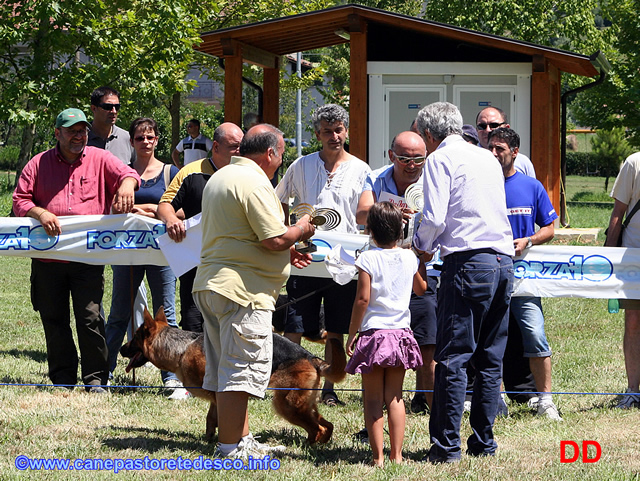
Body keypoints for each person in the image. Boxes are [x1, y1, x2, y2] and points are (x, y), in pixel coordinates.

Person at [192, 124, 316, 458]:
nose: (281, 159)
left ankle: (240, 439)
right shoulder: (255, 182)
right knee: (240, 372)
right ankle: (231, 448)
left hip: (216, 284)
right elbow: (273, 238)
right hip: (242, 291)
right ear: (271, 153)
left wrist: (285, 252)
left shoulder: (222, 176)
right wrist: (301, 229)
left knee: (227, 370)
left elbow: (241, 234)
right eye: (281, 152)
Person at [413, 102, 514, 463]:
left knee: (454, 358)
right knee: (490, 357)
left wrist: (420, 249)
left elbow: (435, 216)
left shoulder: (440, 159)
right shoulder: (486, 157)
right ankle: (484, 442)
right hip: (503, 262)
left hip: (468, 261)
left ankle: (445, 447)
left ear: (428, 134)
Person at [13, 108, 140, 393]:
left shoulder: (100, 158)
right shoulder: (38, 163)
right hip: (48, 257)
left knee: (91, 317)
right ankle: (63, 378)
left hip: (87, 257)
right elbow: (20, 199)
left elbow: (128, 173)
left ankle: (96, 379)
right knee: (54, 318)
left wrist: (127, 186)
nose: (78, 136)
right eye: (71, 131)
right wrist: (38, 212)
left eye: (82, 131)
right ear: (57, 133)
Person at [275, 103, 371, 406]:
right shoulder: (300, 165)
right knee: (294, 325)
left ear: (346, 131)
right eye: (327, 131)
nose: (334, 136)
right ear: (317, 134)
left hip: (343, 261)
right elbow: (277, 201)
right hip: (305, 256)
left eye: (339, 130)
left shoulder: (360, 169)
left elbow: (366, 213)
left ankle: (328, 390)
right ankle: (288, 384)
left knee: (335, 328)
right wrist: (286, 234)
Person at [104, 117, 186, 399]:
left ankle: (172, 377)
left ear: (157, 140)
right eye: (140, 138)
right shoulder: (121, 173)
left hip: (163, 253)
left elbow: (183, 211)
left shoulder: (171, 173)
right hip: (127, 252)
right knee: (118, 314)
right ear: (132, 142)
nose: (146, 142)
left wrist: (149, 209)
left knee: (167, 315)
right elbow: (112, 208)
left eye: (150, 137)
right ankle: (104, 372)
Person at [355, 131, 436, 413]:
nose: (412, 165)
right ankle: (373, 424)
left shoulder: (433, 178)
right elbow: (361, 213)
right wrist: (389, 213)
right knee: (379, 352)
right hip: (384, 271)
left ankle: (437, 421)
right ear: (391, 156)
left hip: (422, 268)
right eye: (404, 159)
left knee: (428, 351)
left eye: (418, 159)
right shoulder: (376, 178)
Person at [488, 127, 562, 420]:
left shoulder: (532, 187)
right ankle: (496, 398)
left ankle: (545, 399)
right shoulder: (482, 186)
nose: (494, 153)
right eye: (491, 148)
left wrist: (529, 240)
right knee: (493, 338)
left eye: (500, 149)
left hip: (525, 278)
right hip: (491, 275)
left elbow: (550, 228)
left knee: (534, 334)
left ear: (515, 152)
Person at [346, 202, 426, 467]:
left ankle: (377, 457)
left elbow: (362, 299)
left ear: (370, 231)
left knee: (371, 399)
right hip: (401, 334)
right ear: (400, 230)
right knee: (395, 396)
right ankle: (398, 455)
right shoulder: (408, 257)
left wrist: (352, 333)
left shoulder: (367, 258)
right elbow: (421, 289)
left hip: (373, 335)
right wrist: (420, 259)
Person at [158, 122, 244, 333]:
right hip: (197, 267)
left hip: (236, 266)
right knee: (193, 328)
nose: (240, 151)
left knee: (230, 328)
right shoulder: (191, 172)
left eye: (242, 145)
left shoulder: (247, 174)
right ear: (216, 147)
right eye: (234, 146)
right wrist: (171, 220)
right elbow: (164, 205)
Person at [87, 85, 147, 342]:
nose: (113, 111)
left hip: (124, 226)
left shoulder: (126, 138)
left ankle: (137, 343)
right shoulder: (80, 137)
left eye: (117, 107)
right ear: (93, 109)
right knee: (90, 289)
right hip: (90, 223)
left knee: (133, 288)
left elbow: (138, 174)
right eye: (107, 106)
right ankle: (96, 342)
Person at [605, 151, 640, 409]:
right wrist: (606, 255)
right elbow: (619, 211)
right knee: (634, 323)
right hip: (633, 257)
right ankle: (632, 390)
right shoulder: (634, 162)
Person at [476, 106, 536, 178]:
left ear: (506, 128)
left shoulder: (522, 162)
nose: (488, 130)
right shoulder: (470, 159)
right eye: (482, 126)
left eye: (494, 125)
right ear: (476, 129)